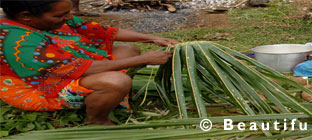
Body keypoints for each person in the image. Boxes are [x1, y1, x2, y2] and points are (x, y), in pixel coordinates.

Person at [0, 0, 179, 125]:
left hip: (70, 68)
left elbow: (99, 30)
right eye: (61, 15)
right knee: (117, 81)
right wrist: (145, 59)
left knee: (128, 51)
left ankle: (107, 95)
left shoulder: (44, 20)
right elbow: (82, 68)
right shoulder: (18, 42)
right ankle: (97, 119)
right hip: (39, 88)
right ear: (25, 16)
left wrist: (152, 38)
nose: (70, 17)